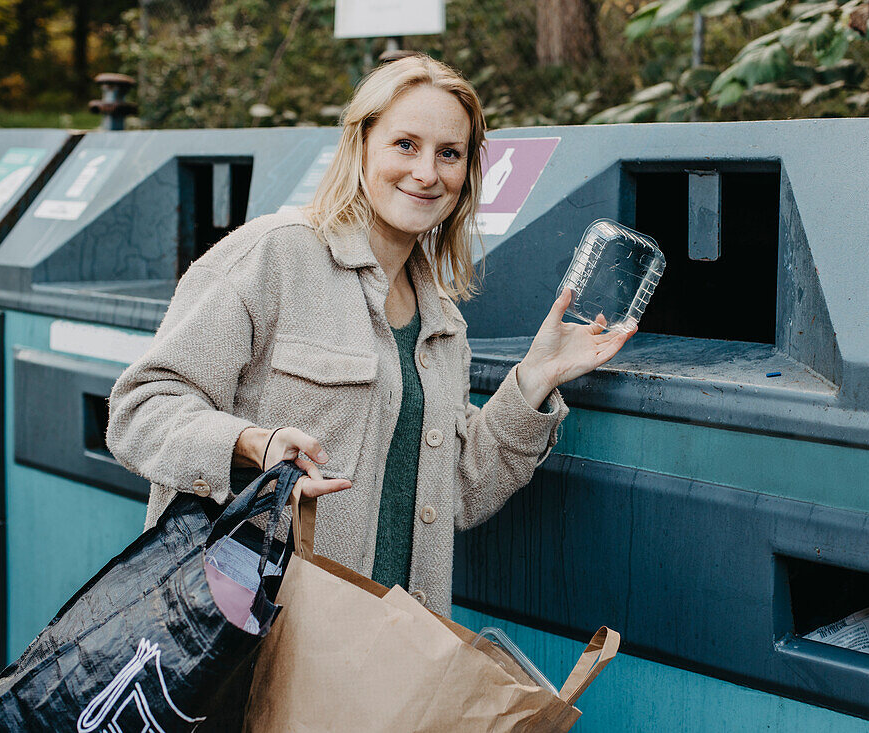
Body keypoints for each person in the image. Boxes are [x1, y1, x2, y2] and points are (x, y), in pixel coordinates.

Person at [106, 54, 634, 617]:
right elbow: (139, 412)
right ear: (361, 146)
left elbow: (457, 492)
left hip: (381, 653)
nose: (427, 172)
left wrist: (536, 377)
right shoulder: (276, 254)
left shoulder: (442, 320)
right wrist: (254, 444)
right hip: (250, 636)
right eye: (405, 144)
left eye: (449, 154)